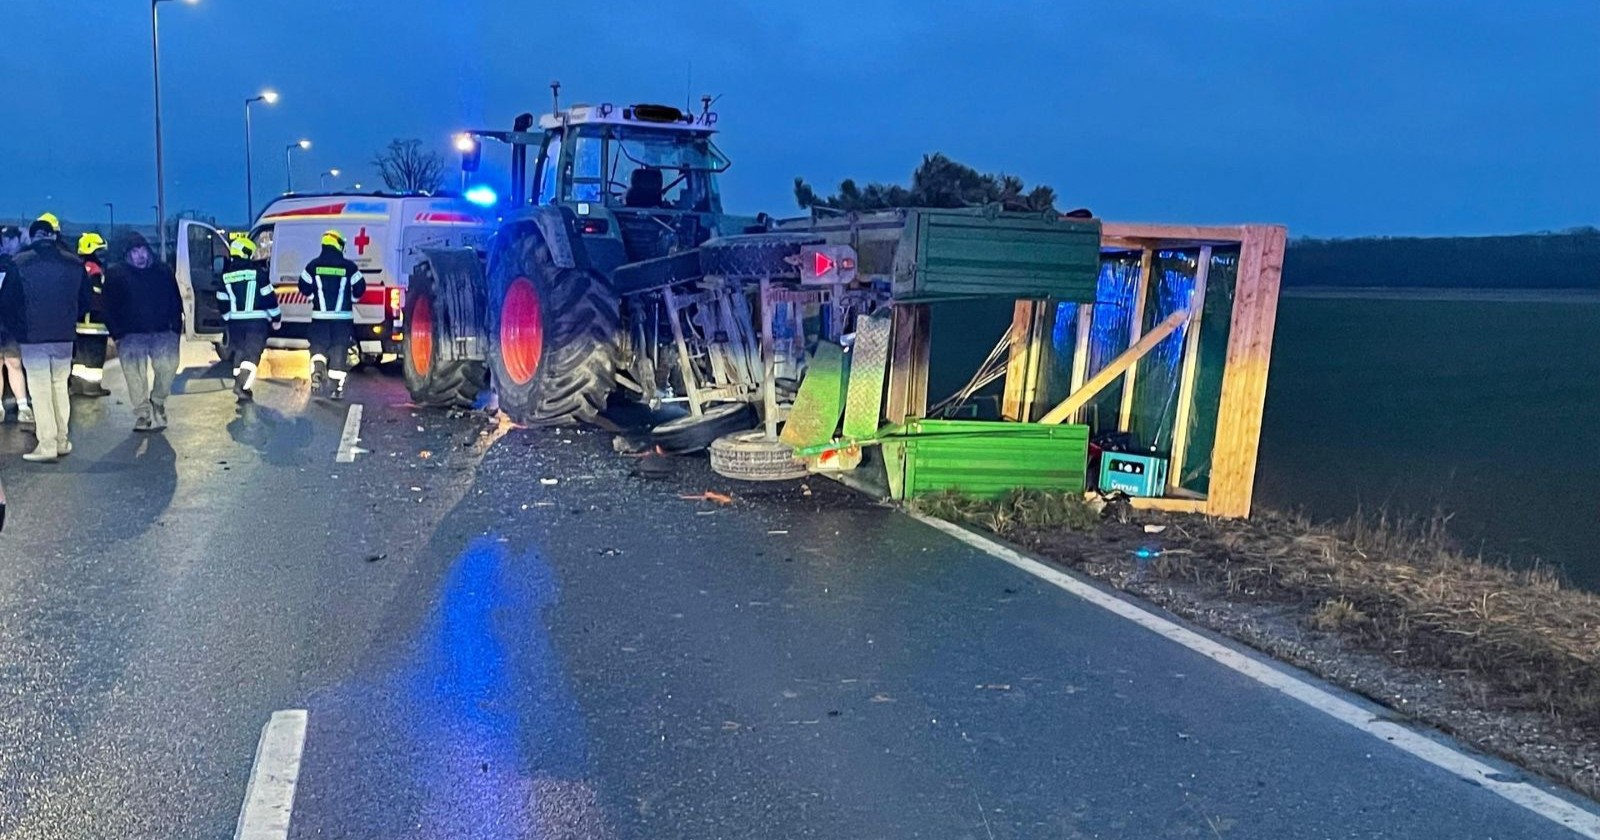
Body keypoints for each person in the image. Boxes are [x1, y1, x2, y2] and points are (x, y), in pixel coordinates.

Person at [2, 215, 89, 461]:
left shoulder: (19, 263)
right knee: (60, 387)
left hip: (32, 337)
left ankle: (46, 444)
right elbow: (85, 301)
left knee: (40, 390)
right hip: (64, 336)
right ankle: (62, 440)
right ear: (52, 235)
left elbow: (7, 303)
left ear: (32, 236)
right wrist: (69, 319)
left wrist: (18, 329)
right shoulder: (74, 263)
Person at [103, 231, 183, 432]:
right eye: (134, 251)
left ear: (148, 251)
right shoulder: (116, 275)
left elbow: (175, 300)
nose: (139, 255)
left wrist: (176, 329)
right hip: (130, 335)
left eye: (142, 250)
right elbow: (107, 305)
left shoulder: (163, 271)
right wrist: (117, 333)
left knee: (168, 368)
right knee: (134, 376)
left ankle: (158, 400)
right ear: (127, 255)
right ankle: (142, 413)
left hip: (163, 332)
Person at [298, 229, 365, 400]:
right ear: (338, 244)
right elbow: (360, 288)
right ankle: (336, 389)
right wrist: (352, 299)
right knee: (338, 350)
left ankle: (318, 370)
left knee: (318, 347)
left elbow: (302, 286)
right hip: (342, 320)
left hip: (319, 318)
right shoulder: (349, 267)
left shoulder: (313, 265)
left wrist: (314, 297)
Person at [218, 234, 281, 401]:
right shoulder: (257, 273)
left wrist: (226, 317)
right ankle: (241, 385)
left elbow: (222, 300)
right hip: (256, 322)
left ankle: (241, 386)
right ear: (245, 252)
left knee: (239, 352)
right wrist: (276, 318)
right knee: (252, 354)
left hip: (235, 324)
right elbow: (269, 297)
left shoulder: (225, 275)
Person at [70, 232, 112, 397]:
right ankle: (92, 388)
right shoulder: (94, 269)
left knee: (80, 357)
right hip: (95, 322)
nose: (102, 255)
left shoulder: (78, 266)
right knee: (94, 357)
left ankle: (78, 386)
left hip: (80, 321)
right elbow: (97, 294)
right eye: (99, 250)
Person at [0, 226, 31, 425]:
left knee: (14, 363)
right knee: (12, 364)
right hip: (10, 324)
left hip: (10, 324)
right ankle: (20, 406)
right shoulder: (18, 263)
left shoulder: (18, 263)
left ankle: (22, 406)